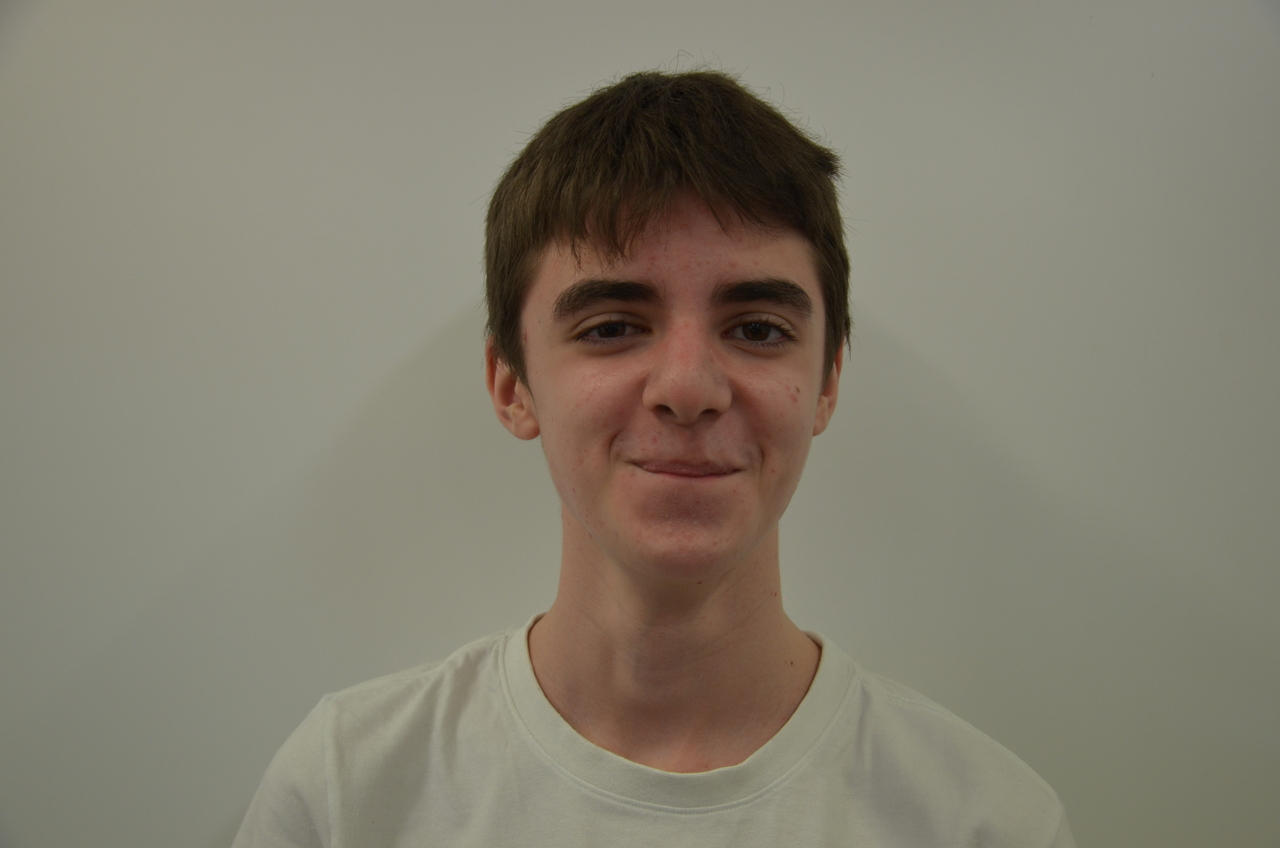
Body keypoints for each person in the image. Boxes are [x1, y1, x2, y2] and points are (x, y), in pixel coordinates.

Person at [232, 70, 1076, 847]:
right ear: (510, 384)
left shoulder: (987, 823)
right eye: (611, 327)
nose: (688, 388)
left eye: (757, 329)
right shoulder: (346, 794)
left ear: (826, 382)